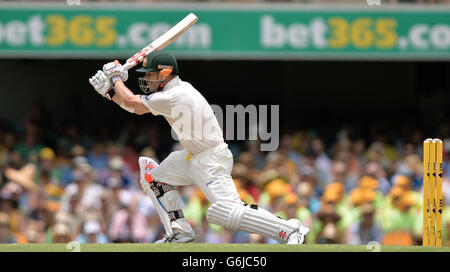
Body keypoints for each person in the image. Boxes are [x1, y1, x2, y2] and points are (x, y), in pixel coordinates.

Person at [88, 51, 309, 244]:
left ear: (164, 73)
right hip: (192, 156)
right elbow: (133, 106)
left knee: (230, 212)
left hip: (212, 159)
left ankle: (291, 230)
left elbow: (135, 105)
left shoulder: (175, 95)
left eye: (149, 74)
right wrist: (110, 91)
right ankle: (180, 230)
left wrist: (115, 80)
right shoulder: (171, 93)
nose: (146, 79)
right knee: (154, 177)